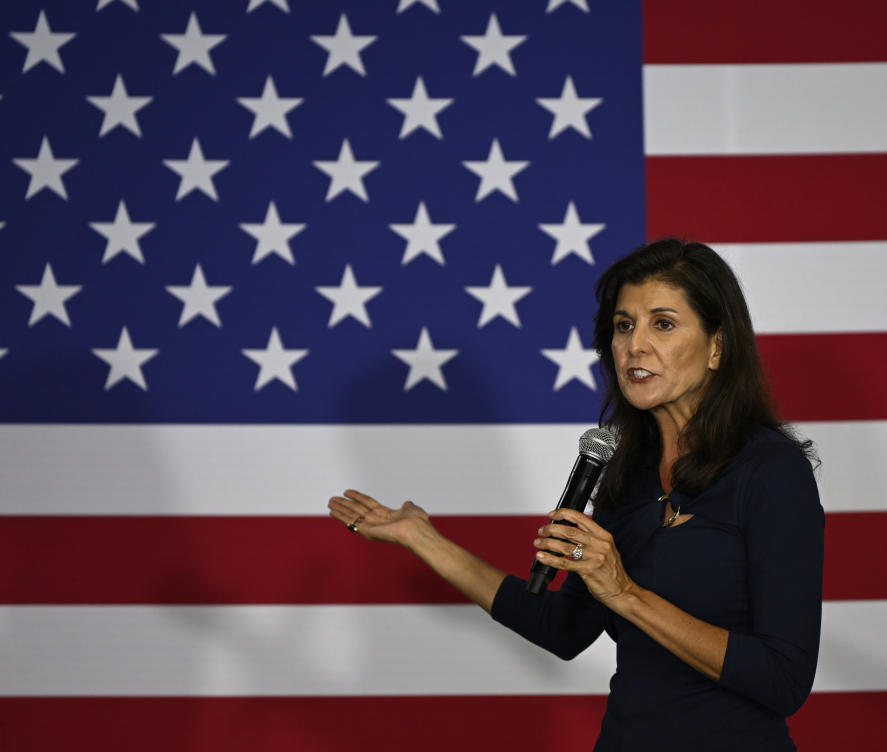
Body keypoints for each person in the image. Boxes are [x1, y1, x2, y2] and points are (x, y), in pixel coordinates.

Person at [328, 238, 824, 750]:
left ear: (717, 346)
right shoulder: (625, 473)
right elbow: (561, 630)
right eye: (623, 325)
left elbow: (783, 680)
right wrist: (423, 538)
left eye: (664, 324)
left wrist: (626, 594)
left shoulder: (769, 471)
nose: (635, 345)